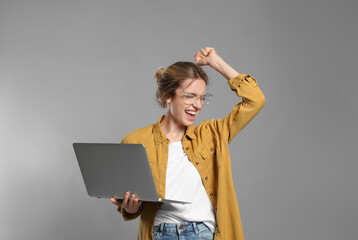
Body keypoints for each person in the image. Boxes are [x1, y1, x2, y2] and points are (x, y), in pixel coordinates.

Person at [110, 47, 265, 240]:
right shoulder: (135, 140)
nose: (198, 105)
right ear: (168, 96)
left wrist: (216, 63)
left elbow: (255, 100)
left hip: (203, 234)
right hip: (160, 233)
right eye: (190, 96)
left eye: (201, 98)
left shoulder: (212, 134)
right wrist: (130, 208)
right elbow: (130, 201)